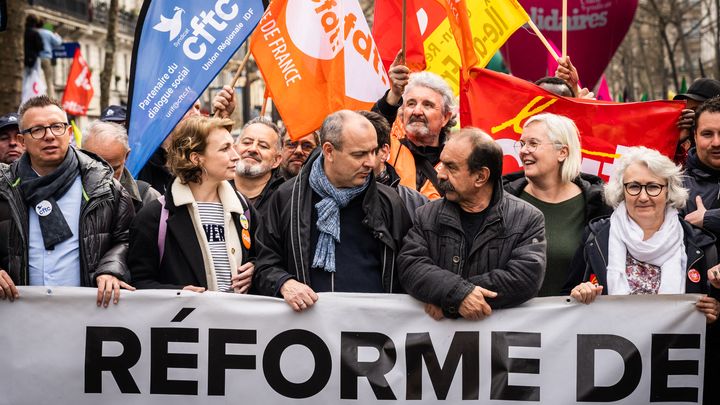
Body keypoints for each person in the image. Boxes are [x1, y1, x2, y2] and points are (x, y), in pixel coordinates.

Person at [564, 147, 720, 404]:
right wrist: (577, 295)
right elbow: (566, 297)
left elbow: (710, 315)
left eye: (653, 187)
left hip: (673, 378)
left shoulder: (700, 245)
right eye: (633, 186)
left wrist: (715, 311)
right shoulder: (596, 237)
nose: (643, 196)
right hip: (608, 376)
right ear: (621, 191)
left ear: (668, 190)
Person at [254, 110, 412, 311]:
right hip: (309, 334)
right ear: (329, 151)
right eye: (359, 154)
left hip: (373, 333)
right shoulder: (287, 197)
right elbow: (265, 263)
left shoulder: (389, 202)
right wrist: (284, 283)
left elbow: (409, 266)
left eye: (373, 151)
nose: (371, 162)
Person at [397, 128, 546, 320]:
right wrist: (457, 294)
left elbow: (524, 277)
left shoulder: (527, 218)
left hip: (497, 346)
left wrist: (451, 299)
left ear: (480, 177)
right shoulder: (426, 215)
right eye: (441, 164)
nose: (440, 174)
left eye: (451, 167)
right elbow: (411, 266)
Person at [0, 95, 135, 306]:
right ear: (21, 141)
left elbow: (126, 239)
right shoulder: (4, 189)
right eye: (37, 130)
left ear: (69, 133)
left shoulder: (105, 187)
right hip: (18, 315)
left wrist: (111, 268)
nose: (49, 136)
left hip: (86, 315)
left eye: (57, 127)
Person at [129, 116, 258, 293]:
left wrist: (255, 269)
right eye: (225, 149)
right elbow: (139, 282)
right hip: (187, 319)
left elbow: (267, 259)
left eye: (233, 146)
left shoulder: (243, 208)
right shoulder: (155, 216)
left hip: (238, 318)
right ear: (196, 158)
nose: (236, 156)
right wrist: (177, 292)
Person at [503, 113, 611, 296]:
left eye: (533, 144)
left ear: (562, 152)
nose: (523, 151)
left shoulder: (599, 204)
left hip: (573, 319)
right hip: (508, 320)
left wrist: (589, 287)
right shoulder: (502, 198)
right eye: (522, 144)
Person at [373, 55, 456, 199]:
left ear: (445, 117)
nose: (417, 111)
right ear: (402, 112)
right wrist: (394, 95)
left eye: (427, 105)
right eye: (411, 104)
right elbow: (371, 133)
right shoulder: (387, 148)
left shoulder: (457, 160)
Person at [359, 110, 428, 222]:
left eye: (360, 153)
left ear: (384, 152)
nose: (352, 161)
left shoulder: (416, 203)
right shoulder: (328, 195)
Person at [82, 121, 160, 213]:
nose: (105, 177)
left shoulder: (148, 198)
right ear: (81, 155)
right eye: (96, 168)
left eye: (114, 169)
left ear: (126, 156)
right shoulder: (67, 193)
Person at [232, 117, 284, 215]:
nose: (252, 149)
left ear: (276, 160)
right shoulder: (214, 188)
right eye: (247, 142)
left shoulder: (286, 198)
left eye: (263, 146)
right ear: (234, 149)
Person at [683, 96, 720, 236]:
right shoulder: (677, 188)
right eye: (707, 134)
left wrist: (708, 218)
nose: (716, 142)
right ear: (695, 137)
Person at [673, 79, 720, 166]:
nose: (716, 143)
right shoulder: (685, 150)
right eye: (688, 110)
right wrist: (675, 144)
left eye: (697, 110)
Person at [36, 19, 62, 97]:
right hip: (46, 58)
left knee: (37, 78)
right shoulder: (48, 33)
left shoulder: (36, 32)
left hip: (36, 59)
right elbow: (58, 42)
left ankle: (37, 95)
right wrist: (57, 35)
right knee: (49, 79)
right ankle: (51, 97)